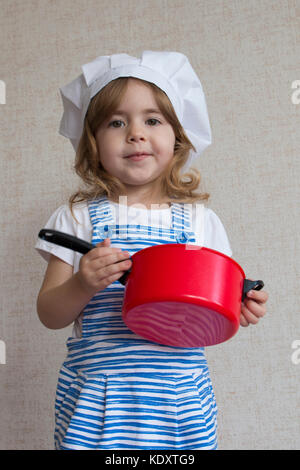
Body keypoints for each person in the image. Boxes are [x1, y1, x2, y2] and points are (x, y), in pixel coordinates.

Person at [35, 51, 268, 450]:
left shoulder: (200, 221)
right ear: (92, 142)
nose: (135, 133)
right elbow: (49, 314)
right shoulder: (75, 218)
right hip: (99, 404)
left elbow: (219, 300)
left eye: (152, 120)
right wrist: (83, 283)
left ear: (177, 136)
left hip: (178, 402)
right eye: (116, 122)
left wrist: (241, 302)